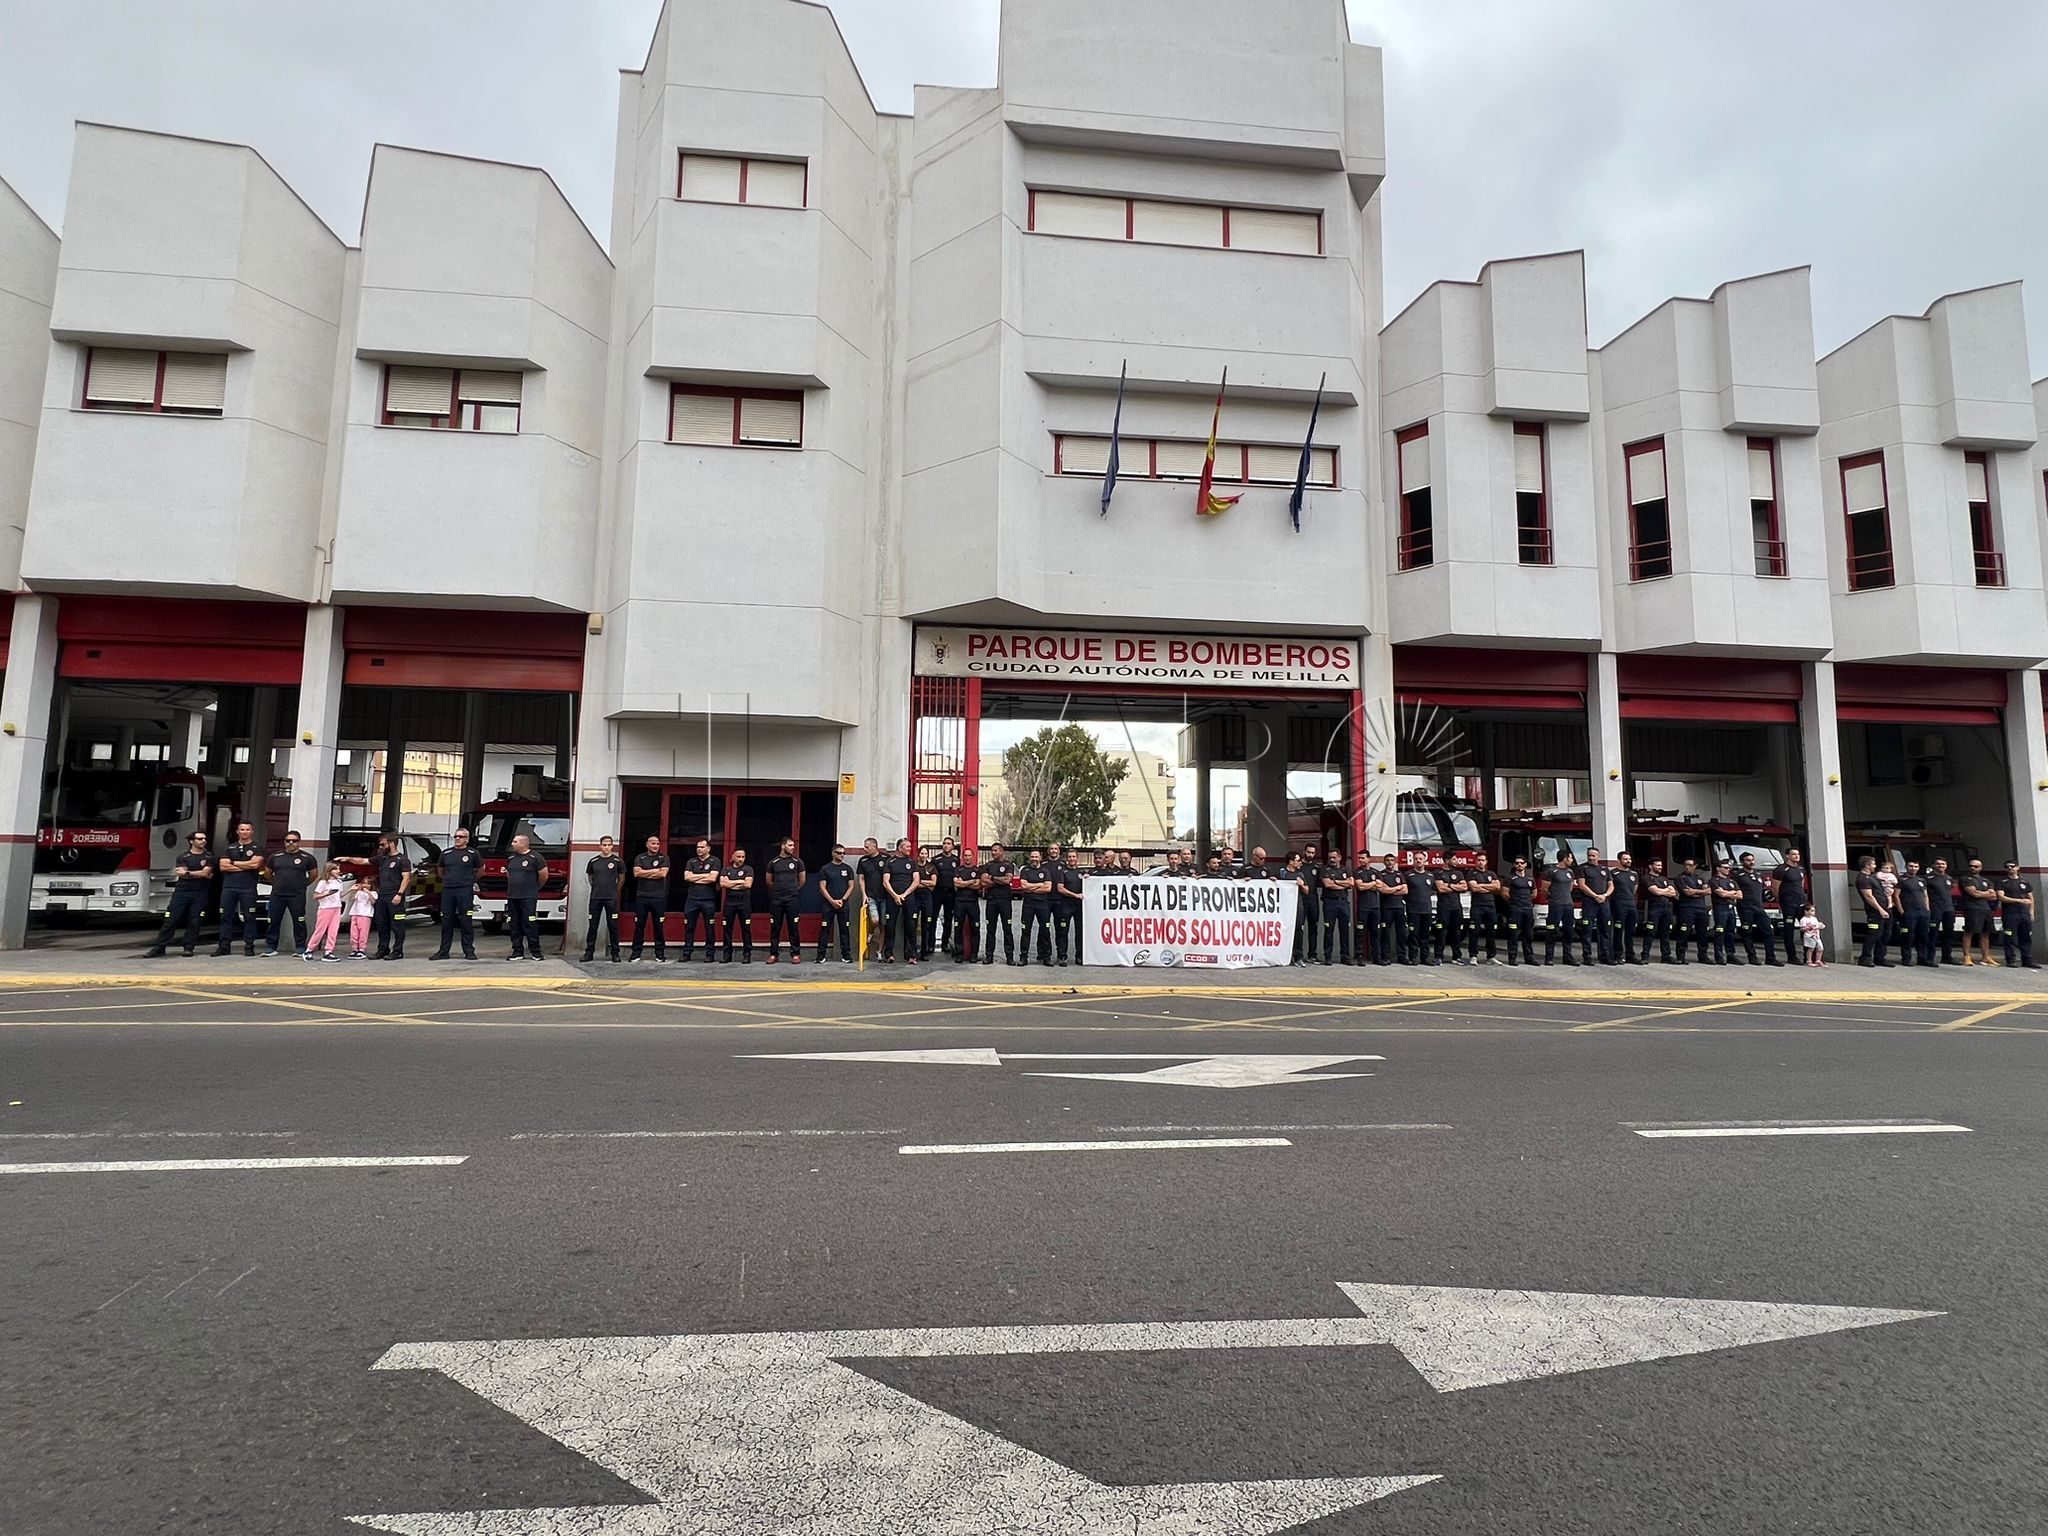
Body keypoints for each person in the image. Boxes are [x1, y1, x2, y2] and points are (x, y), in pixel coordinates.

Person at [145, 832, 217, 957]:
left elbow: (205, 873)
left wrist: (188, 873)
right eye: (200, 839)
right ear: (191, 841)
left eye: (204, 839)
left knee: (195, 920)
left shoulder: (209, 856)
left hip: (200, 892)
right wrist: (196, 873)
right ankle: (159, 947)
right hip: (182, 891)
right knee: (171, 919)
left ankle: (188, 947)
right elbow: (181, 872)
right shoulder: (183, 856)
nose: (203, 841)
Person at [261, 831, 318, 958]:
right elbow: (268, 873)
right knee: (273, 921)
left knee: (299, 921)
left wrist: (302, 884)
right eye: (288, 841)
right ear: (284, 842)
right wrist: (276, 883)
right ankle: (271, 947)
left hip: (297, 895)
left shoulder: (307, 858)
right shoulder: (275, 856)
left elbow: (313, 875)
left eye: (294, 841)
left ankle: (300, 947)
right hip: (277, 895)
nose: (291, 843)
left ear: (299, 842)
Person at [430, 827, 483, 960]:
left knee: (466, 920)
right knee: (446, 920)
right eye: (456, 836)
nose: (457, 839)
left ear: (467, 839)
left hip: (464, 890)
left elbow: (480, 870)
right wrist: (447, 880)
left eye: (461, 837)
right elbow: (440, 870)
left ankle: (469, 951)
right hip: (448, 890)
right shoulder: (446, 853)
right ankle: (443, 951)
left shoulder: (473, 853)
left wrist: (470, 881)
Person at [215, 820, 265, 957]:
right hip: (229, 888)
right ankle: (224, 946)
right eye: (242, 829)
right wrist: (245, 865)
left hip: (248, 888)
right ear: (237, 832)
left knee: (249, 917)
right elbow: (223, 866)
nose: (245, 832)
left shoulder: (257, 848)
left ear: (252, 831)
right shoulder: (229, 848)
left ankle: (249, 946)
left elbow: (254, 865)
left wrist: (233, 862)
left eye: (247, 829)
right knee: (225, 917)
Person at [504, 833, 548, 961]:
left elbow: (544, 876)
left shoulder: (536, 857)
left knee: (530, 923)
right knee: (514, 924)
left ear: (523, 843)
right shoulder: (511, 857)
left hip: (528, 897)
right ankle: (517, 951)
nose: (512, 844)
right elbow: (509, 874)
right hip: (513, 896)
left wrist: (535, 888)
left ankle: (536, 952)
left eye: (515, 842)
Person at [627, 834, 671, 962]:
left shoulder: (664, 858)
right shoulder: (640, 857)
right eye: (653, 843)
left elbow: (663, 874)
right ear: (647, 844)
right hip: (642, 897)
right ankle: (636, 953)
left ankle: (660, 953)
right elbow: (636, 873)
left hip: (658, 897)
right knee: (639, 925)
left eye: (657, 844)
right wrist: (655, 871)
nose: (655, 846)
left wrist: (645, 872)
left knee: (658, 926)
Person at [582, 836, 625, 962]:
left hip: (611, 899)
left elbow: (621, 878)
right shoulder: (593, 861)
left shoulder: (618, 861)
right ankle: (589, 953)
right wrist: (596, 887)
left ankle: (615, 953)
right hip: (595, 898)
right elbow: (590, 877)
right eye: (604, 845)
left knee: (613, 926)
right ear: (600, 846)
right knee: (592, 926)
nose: (606, 847)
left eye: (609, 845)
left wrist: (614, 891)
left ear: (612, 846)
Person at [371, 832, 413, 960]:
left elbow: (406, 878)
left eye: (383, 844)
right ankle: (382, 949)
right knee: (382, 924)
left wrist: (399, 894)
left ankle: (398, 951)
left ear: (392, 844)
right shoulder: (382, 858)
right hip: (383, 896)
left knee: (397, 925)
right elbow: (364, 861)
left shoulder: (403, 860)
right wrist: (346, 858)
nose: (381, 847)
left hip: (395, 897)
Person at [678, 838, 721, 962]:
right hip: (692, 900)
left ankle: (710, 954)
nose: (699, 849)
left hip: (708, 899)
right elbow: (687, 877)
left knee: (709, 927)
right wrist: (705, 876)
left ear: (708, 848)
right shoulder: (691, 861)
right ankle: (687, 952)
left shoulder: (715, 861)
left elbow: (712, 878)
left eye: (702, 847)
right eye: (698, 847)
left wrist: (695, 877)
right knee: (689, 927)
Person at [765, 837, 806, 964]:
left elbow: (802, 880)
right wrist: (778, 890)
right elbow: (768, 881)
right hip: (777, 899)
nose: (793, 847)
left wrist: (793, 890)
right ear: (783, 846)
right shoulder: (773, 862)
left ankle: (795, 953)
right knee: (775, 927)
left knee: (793, 927)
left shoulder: (797, 862)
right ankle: (773, 954)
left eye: (793, 845)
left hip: (792, 899)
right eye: (790, 845)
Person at [879, 838, 919, 964]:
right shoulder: (890, 862)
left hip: (909, 897)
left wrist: (905, 894)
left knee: (911, 926)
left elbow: (916, 881)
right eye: (907, 846)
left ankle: (912, 955)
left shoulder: (912, 862)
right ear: (900, 848)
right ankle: (888, 954)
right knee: (890, 926)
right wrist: (895, 896)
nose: (910, 849)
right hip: (892, 898)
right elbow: (885, 882)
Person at [814, 844, 856, 963]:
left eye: (843, 853)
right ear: (833, 853)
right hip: (828, 904)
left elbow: (851, 886)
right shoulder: (825, 869)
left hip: (843, 904)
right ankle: (821, 956)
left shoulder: (847, 868)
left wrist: (843, 900)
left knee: (844, 929)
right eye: (839, 853)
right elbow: (822, 887)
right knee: (825, 929)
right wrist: (832, 901)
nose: (842, 855)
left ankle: (846, 955)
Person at [1772, 851, 1811, 966]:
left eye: (1798, 854)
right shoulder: (1781, 869)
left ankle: (1808, 956)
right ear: (1787, 856)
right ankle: (1792, 956)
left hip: (1801, 903)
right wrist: (1781, 902)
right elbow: (1775, 888)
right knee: (1789, 931)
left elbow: (1801, 885)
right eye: (1794, 854)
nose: (1797, 856)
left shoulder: (1801, 869)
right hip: (1788, 903)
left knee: (1807, 929)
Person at [980, 842, 1017, 963]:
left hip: (1005, 901)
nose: (993, 853)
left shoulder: (1008, 865)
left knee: (1007, 929)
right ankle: (989, 956)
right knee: (990, 929)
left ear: (1001, 851)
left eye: (995, 850)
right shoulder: (988, 865)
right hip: (991, 901)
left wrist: (992, 878)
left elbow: (1007, 880)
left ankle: (1010, 957)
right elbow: (983, 882)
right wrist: (999, 880)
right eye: (992, 850)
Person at [1958, 859, 1999, 966]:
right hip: (1971, 908)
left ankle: (1985, 957)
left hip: (1986, 909)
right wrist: (1986, 893)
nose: (1973, 868)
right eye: (1971, 866)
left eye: (1976, 866)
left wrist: (1981, 893)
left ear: (1980, 868)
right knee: (1969, 932)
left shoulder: (1986, 880)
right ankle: (1966, 956)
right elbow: (1973, 893)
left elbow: (1993, 896)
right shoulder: (1965, 879)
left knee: (1986, 933)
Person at [1575, 850, 1614, 965]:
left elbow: (1611, 885)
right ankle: (1587, 956)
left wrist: (1605, 895)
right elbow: (1582, 885)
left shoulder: (1604, 869)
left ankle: (1605, 956)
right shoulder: (1582, 868)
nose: (1591, 858)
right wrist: (1595, 896)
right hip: (1589, 902)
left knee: (1605, 929)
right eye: (1589, 855)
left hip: (1604, 902)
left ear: (1598, 856)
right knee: (1587, 930)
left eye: (1593, 855)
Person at [1853, 856, 1892, 967]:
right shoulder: (1862, 879)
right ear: (1867, 865)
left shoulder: (1873, 877)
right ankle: (1865, 958)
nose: (1875, 866)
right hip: (1875, 912)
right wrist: (1880, 910)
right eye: (1873, 864)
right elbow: (1868, 897)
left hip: (1886, 909)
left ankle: (1880, 957)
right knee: (1874, 934)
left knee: (1886, 934)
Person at [1018, 850, 1056, 963]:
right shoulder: (1025, 870)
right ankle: (1023, 957)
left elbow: (1048, 888)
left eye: (1036, 857)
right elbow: (1023, 886)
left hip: (1042, 904)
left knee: (1045, 930)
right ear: (1030, 858)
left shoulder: (1045, 871)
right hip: (1028, 904)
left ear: (1040, 858)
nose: (1034, 859)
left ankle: (1046, 957)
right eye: (1032, 857)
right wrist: (1040, 884)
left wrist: (1031, 887)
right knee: (1025, 931)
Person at [305, 863, 347, 962]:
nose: (338, 871)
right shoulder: (323, 882)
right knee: (320, 930)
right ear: (329, 870)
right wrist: (327, 893)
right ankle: (309, 950)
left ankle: (329, 951)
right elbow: (315, 896)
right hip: (325, 908)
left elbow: (340, 895)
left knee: (333, 931)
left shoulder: (339, 881)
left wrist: (350, 890)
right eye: (335, 869)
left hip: (337, 907)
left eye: (338, 869)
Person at [720, 847, 755, 963]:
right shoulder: (726, 869)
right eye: (738, 856)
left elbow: (748, 884)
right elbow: (723, 884)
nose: (741, 859)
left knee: (746, 929)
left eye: (743, 857)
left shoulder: (748, 869)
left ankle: (747, 954)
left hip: (744, 902)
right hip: (729, 902)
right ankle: (727, 954)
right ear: (733, 856)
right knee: (727, 928)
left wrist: (731, 882)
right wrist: (740, 882)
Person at [1542, 855, 1579, 966]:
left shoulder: (1570, 871)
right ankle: (1549, 957)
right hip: (1556, 905)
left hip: (1568, 905)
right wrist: (1553, 897)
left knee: (1569, 931)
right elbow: (1544, 888)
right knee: (1552, 931)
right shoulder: (1551, 871)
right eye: (1570, 858)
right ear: (1564, 858)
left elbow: (1570, 886)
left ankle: (1567, 956)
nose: (1572, 860)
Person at [1998, 861, 2036, 969]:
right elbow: (2001, 897)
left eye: (2012, 866)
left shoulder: (2025, 882)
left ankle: (2027, 960)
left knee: (2026, 937)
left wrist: (2031, 912)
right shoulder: (2003, 882)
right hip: (2010, 914)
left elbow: (2031, 898)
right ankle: (2011, 960)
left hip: (2024, 914)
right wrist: (2019, 900)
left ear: (2018, 868)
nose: (2010, 868)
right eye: (2007, 867)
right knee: (2009, 937)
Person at [1673, 859, 1712, 964]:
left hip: (1701, 908)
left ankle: (1703, 956)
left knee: (1703, 933)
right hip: (1687, 908)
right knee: (1684, 932)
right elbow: (1687, 893)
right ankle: (1680, 957)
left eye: (1690, 865)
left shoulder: (1700, 878)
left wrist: (1695, 891)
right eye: (1685, 865)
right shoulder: (1680, 878)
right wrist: (1700, 892)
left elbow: (1709, 891)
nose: (1687, 867)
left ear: (1695, 866)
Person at [1895, 860, 1932, 967]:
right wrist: (1901, 910)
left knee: (1923, 936)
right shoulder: (1901, 879)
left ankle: (1922, 958)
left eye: (1916, 866)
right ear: (1906, 867)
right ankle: (1906, 959)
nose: (1913, 868)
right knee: (1908, 937)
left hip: (1922, 912)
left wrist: (1927, 909)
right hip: (1909, 912)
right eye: (1911, 866)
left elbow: (1925, 895)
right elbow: (1896, 896)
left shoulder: (1921, 880)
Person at [950, 847, 984, 965]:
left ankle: (974, 954)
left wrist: (963, 883)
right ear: (962, 857)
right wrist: (970, 881)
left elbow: (978, 885)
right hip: (959, 902)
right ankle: (959, 954)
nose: (967, 858)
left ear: (972, 857)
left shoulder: (977, 870)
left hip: (973, 903)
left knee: (975, 928)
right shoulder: (958, 869)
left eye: (969, 855)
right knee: (958, 928)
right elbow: (956, 884)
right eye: (965, 855)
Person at [1641, 859, 1679, 963]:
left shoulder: (1664, 878)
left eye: (1661, 865)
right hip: (1654, 907)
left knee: (1666, 932)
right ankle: (1645, 956)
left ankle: (1666, 956)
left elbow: (1673, 893)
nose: (1660, 867)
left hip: (1667, 908)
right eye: (1657, 865)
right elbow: (1655, 891)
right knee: (1650, 931)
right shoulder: (1646, 878)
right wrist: (1666, 890)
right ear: (1650, 866)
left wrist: (1662, 891)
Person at [1053, 849, 1086, 965]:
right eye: (1070, 857)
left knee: (1080, 932)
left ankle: (1079, 956)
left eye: (1074, 857)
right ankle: (1062, 957)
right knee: (1063, 932)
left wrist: (1089, 878)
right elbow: (1060, 888)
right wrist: (1075, 895)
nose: (1072, 859)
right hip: (1065, 906)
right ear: (1067, 859)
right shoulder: (1062, 872)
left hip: (1079, 907)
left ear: (1077, 858)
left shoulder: (1082, 872)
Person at [1465, 859, 1502, 964]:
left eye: (1483, 860)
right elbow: (1474, 888)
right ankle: (1473, 956)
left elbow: (1497, 887)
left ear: (1486, 862)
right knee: (1474, 931)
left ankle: (1491, 956)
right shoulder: (1472, 873)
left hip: (1490, 906)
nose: (1481, 862)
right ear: (1476, 862)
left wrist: (1481, 885)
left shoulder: (1491, 873)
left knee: (1491, 932)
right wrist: (1489, 887)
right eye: (1479, 860)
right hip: (1477, 906)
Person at [1319, 852, 1354, 964]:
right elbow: (1328, 884)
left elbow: (1351, 883)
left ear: (1339, 857)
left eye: (1334, 857)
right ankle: (1328, 956)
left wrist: (1336, 881)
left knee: (1345, 930)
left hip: (1343, 902)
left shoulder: (1345, 869)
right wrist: (1343, 885)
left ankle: (1345, 956)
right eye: (1330, 858)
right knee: (1328, 930)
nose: (1332, 860)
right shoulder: (1325, 869)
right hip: (1330, 902)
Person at [1503, 856, 1538, 966]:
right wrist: (1514, 902)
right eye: (1517, 863)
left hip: (1527, 910)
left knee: (1528, 934)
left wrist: (1526, 901)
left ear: (1525, 864)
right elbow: (1505, 893)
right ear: (1514, 865)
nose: (1519, 865)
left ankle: (1529, 957)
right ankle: (1512, 957)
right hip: (1515, 910)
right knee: (1513, 934)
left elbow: (1534, 893)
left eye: (1522, 863)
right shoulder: (1510, 878)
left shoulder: (1530, 878)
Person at [1708, 860, 1744, 965]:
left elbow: (1740, 895)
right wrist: (1732, 893)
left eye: (1729, 868)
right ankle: (1719, 956)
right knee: (1720, 932)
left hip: (1731, 908)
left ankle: (1730, 955)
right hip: (1720, 908)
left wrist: (1727, 892)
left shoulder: (1732, 881)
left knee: (1730, 932)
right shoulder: (1714, 880)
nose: (1728, 869)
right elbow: (1721, 894)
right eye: (1725, 867)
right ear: (1718, 868)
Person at [1609, 852, 1642, 966]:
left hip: (1631, 905)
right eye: (1625, 859)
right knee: (1618, 931)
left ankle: (1630, 955)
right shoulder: (1613, 873)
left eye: (1629, 859)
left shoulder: (1634, 874)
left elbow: (1634, 889)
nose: (1628, 861)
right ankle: (1617, 955)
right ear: (1619, 860)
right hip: (1619, 905)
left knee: (1630, 931)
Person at [1431, 862, 1466, 964]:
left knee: (1456, 932)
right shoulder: (1438, 872)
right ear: (1447, 860)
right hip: (1444, 907)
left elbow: (1464, 887)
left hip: (1456, 907)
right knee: (1441, 931)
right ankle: (1438, 956)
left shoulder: (1458, 873)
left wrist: (1449, 885)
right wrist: (1456, 887)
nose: (1456, 861)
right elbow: (1441, 889)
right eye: (1454, 859)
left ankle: (1457, 956)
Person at [856, 838, 885, 960]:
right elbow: (861, 879)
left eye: (867, 847)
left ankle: (879, 951)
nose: (864, 849)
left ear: (874, 846)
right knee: (875, 920)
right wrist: (864, 894)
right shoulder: (863, 860)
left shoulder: (885, 858)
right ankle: (871, 932)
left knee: (884, 924)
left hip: (885, 896)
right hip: (871, 895)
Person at [1401, 857, 1434, 964]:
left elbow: (1432, 891)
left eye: (1420, 859)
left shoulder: (1430, 876)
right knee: (1413, 935)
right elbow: (1404, 893)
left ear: (1425, 861)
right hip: (1413, 910)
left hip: (1427, 910)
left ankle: (1425, 958)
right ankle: (1413, 957)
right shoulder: (1408, 875)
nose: (1418, 861)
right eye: (1416, 859)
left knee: (1425, 935)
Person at [1926, 858, 1958, 964]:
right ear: (1933, 865)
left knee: (1949, 933)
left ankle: (1947, 957)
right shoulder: (1928, 878)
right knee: (1933, 933)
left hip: (1948, 909)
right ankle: (1929, 957)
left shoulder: (1949, 878)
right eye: (1938, 864)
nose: (1940, 866)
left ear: (1946, 866)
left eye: (1943, 864)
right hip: (1935, 908)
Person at [932, 838, 960, 958]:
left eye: (948, 844)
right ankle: (930, 943)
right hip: (937, 892)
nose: (946, 845)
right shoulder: (936, 860)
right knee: (933, 918)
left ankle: (945, 943)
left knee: (948, 919)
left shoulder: (956, 860)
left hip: (950, 893)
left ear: (952, 846)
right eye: (944, 843)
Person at [1296, 843, 1323, 962]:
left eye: (1312, 853)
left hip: (1313, 900)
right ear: (1304, 851)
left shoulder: (1316, 867)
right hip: (1301, 900)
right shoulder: (1299, 866)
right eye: (1308, 852)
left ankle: (1312, 954)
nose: (1310, 855)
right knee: (1299, 927)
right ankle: (1298, 955)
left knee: (1313, 927)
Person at [347, 874, 377, 959]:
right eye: (364, 883)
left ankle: (361, 949)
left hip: (365, 914)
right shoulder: (359, 892)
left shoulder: (373, 893)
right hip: (355, 913)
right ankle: (354, 948)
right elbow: (351, 899)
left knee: (363, 932)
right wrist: (354, 890)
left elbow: (373, 901)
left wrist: (368, 892)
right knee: (354, 933)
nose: (365, 885)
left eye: (367, 884)